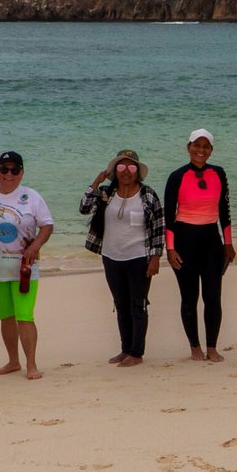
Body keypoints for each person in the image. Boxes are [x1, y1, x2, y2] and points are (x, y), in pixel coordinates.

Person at [0, 151, 55, 380]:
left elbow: (47, 226)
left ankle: (31, 365)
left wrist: (35, 246)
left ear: (22, 173)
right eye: (4, 169)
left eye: (15, 170)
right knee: (5, 316)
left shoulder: (32, 196)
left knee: (24, 315)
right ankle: (13, 361)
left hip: (25, 267)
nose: (9, 174)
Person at [80, 149, 164, 367]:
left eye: (131, 167)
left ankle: (136, 353)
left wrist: (155, 257)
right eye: (121, 167)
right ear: (114, 171)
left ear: (138, 172)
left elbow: (158, 228)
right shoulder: (106, 193)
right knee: (121, 305)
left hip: (139, 258)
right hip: (111, 257)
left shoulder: (148, 195)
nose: (126, 171)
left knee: (138, 305)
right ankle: (125, 349)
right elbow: (84, 208)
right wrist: (96, 183)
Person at [163, 129, 236, 362]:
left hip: (211, 241)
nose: (201, 150)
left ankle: (212, 347)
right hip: (184, 240)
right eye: (196, 145)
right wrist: (170, 249)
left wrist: (228, 243)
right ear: (188, 147)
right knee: (189, 297)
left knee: (213, 296)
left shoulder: (219, 173)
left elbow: (225, 212)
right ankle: (195, 347)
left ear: (211, 150)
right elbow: (168, 216)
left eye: (206, 146)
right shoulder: (177, 176)